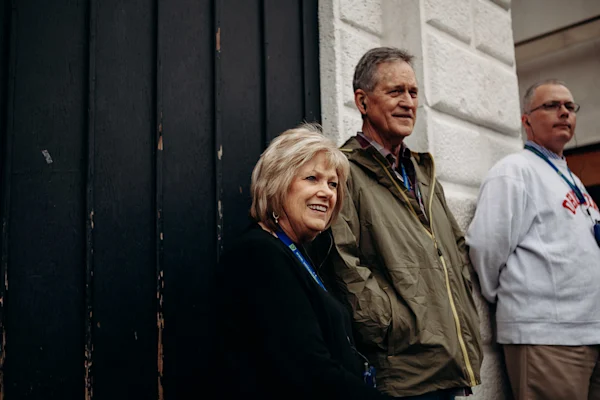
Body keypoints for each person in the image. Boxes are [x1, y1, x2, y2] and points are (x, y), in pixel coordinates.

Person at [318, 47, 483, 398]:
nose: (408, 102)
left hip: (448, 365)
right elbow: (343, 262)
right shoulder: (343, 170)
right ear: (362, 102)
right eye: (395, 91)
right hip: (401, 371)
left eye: (413, 92)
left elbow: (455, 251)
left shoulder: (423, 172)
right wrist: (393, 325)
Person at [215, 123, 392, 399]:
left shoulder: (292, 252)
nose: (327, 192)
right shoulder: (259, 255)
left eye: (333, 184)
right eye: (312, 178)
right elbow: (308, 371)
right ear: (277, 184)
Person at [466, 79, 600, 400]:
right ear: (526, 120)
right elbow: (486, 247)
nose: (564, 112)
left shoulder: (571, 178)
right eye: (551, 105)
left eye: (570, 106)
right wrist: (514, 299)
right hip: (547, 338)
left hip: (588, 331)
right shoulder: (514, 171)